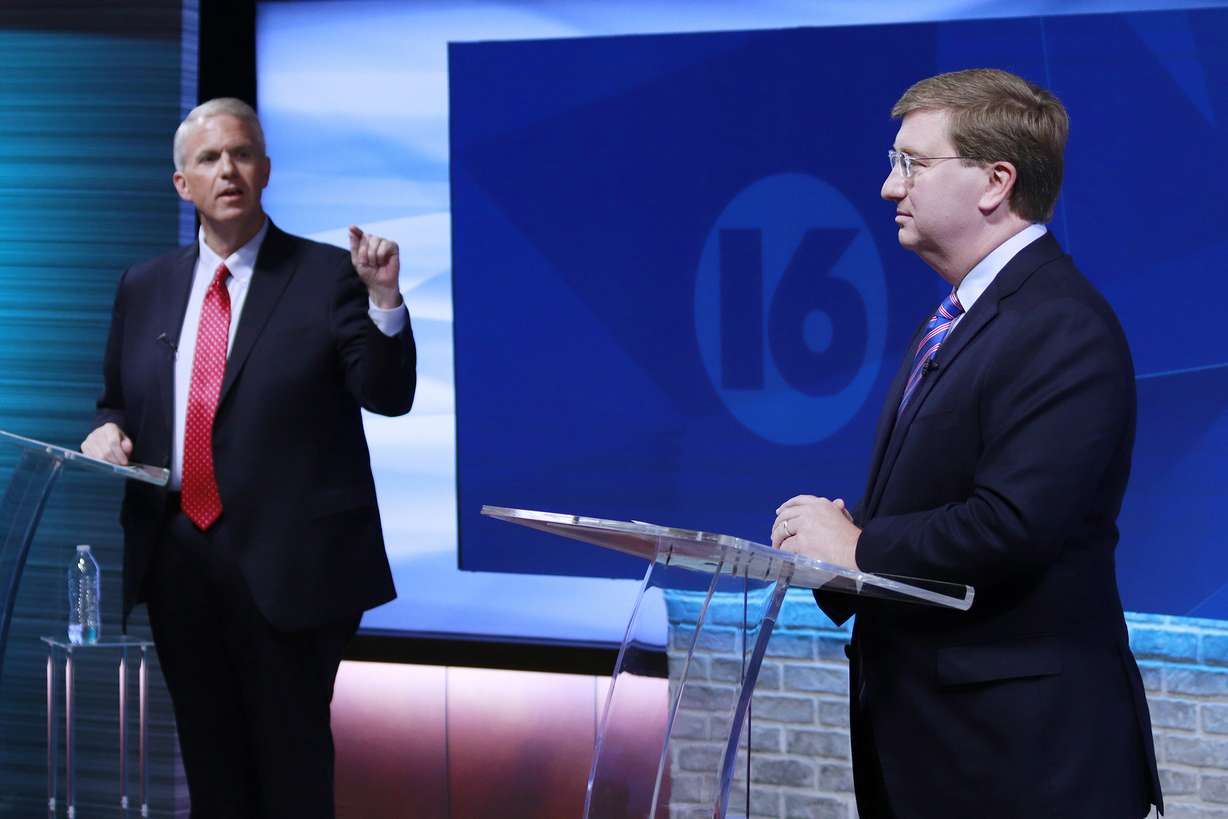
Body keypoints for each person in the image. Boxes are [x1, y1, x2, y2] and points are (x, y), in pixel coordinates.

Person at [770, 69, 1162, 818]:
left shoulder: (1060, 324)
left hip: (1023, 766)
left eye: (912, 164)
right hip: (936, 752)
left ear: (995, 181)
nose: (890, 187)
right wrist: (831, 554)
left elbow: (1014, 525)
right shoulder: (960, 314)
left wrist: (859, 546)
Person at [81, 97, 416, 818]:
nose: (226, 169)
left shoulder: (328, 275)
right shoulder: (144, 285)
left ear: (265, 170)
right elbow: (116, 398)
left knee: (291, 773)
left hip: (293, 569)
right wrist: (105, 433)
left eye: (240, 154)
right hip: (177, 563)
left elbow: (386, 394)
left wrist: (385, 298)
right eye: (208, 158)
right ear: (182, 183)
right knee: (213, 771)